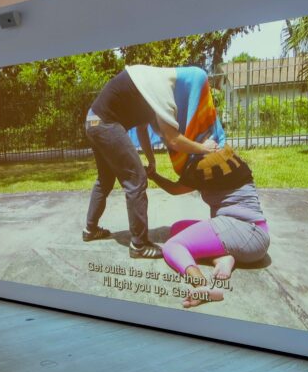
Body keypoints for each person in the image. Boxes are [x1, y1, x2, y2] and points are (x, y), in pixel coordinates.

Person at [84, 67, 216, 259]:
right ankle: (139, 245)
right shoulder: (164, 90)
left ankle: (90, 229)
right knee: (136, 180)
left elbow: (142, 129)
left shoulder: (152, 84)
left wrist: (151, 159)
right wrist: (204, 148)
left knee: (105, 180)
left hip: (93, 121)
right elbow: (173, 139)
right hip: (105, 123)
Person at [149, 147, 271, 309]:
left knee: (172, 245)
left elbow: (175, 189)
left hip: (246, 233)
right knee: (178, 228)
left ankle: (202, 286)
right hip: (255, 232)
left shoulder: (202, 164)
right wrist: (153, 174)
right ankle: (223, 258)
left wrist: (152, 175)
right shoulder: (224, 154)